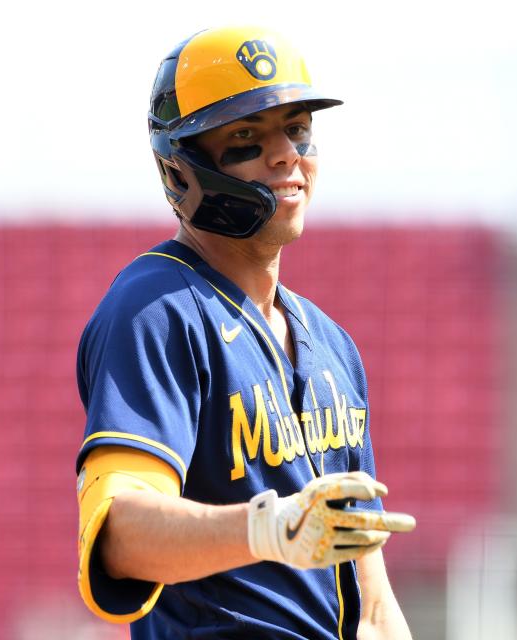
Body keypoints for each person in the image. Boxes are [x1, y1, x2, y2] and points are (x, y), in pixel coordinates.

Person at [74, 25, 416, 639]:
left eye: (297, 127)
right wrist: (270, 528)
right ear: (182, 169)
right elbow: (119, 533)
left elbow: (373, 596)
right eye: (245, 137)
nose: (286, 154)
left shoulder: (333, 343)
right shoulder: (156, 307)